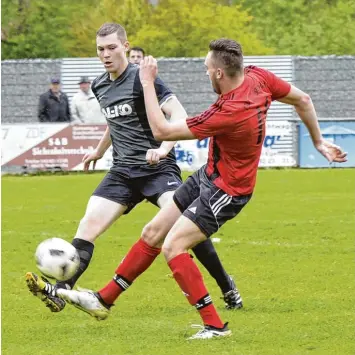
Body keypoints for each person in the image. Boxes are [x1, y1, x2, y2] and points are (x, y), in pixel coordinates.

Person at [55, 38, 347, 340]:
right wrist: (318, 141)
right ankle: (103, 300)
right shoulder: (259, 76)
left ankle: (215, 326)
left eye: (207, 69)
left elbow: (161, 131)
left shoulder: (229, 111)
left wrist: (146, 83)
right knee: (152, 232)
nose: (206, 73)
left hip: (227, 190)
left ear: (220, 72)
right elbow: (304, 100)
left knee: (173, 246)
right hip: (208, 175)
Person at [25, 24, 242, 315]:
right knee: (87, 226)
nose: (105, 54)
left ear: (126, 46)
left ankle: (226, 285)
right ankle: (61, 291)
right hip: (122, 172)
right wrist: (99, 151)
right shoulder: (100, 85)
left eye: (112, 47)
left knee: (186, 224)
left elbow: (178, 114)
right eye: (100, 49)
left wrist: (164, 148)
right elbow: (113, 123)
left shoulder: (143, 79)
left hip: (158, 170)